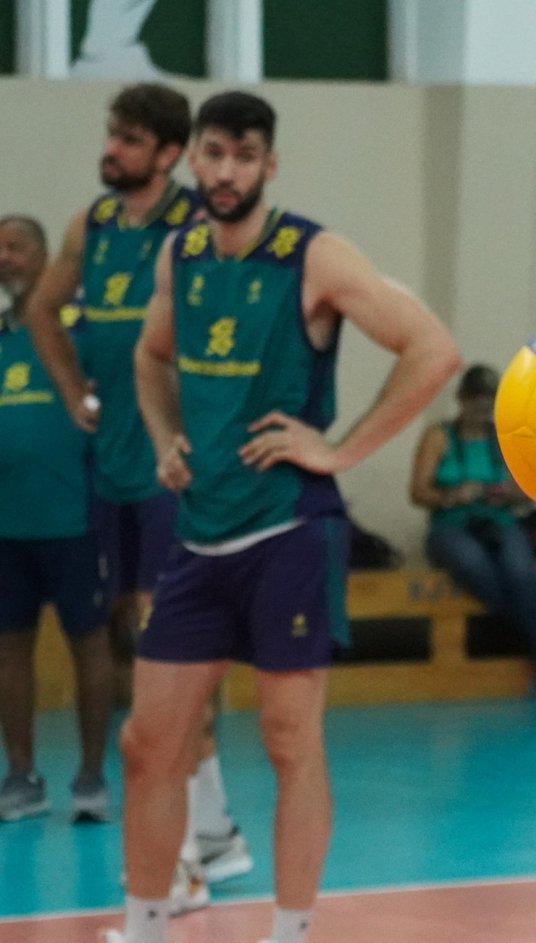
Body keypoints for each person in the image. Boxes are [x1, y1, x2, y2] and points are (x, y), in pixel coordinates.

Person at [100, 90, 461, 943]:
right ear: (193, 160)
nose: (226, 171)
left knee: (288, 736)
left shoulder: (314, 256)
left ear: (269, 166)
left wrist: (337, 449)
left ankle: (290, 931)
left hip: (288, 529)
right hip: (200, 528)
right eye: (213, 154)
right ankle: (147, 925)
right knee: (149, 743)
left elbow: (433, 350)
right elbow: (149, 358)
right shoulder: (180, 254)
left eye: (244, 156)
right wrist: (165, 437)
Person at [24, 83, 251, 905]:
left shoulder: (198, 230)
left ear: (165, 154)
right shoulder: (92, 223)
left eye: (127, 139)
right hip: (106, 472)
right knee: (133, 646)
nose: (111, 149)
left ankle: (184, 857)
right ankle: (216, 826)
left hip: (173, 474)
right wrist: (74, 390)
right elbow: (44, 309)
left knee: (173, 658)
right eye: (111, 134)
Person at [0, 215, 113, 824]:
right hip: (6, 528)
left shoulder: (78, 331)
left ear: (44, 258)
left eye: (15, 247)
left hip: (75, 520)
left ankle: (91, 778)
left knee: (88, 644)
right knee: (9, 651)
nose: (4, 259)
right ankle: (21, 777)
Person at [408, 363, 536, 696]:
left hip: (499, 519)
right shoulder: (439, 436)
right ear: (462, 401)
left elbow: (530, 494)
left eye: (489, 405)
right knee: (474, 567)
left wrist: (510, 493)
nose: (482, 412)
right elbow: (417, 492)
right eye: (476, 403)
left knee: (520, 571)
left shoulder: (507, 438)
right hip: (450, 525)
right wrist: (453, 495)